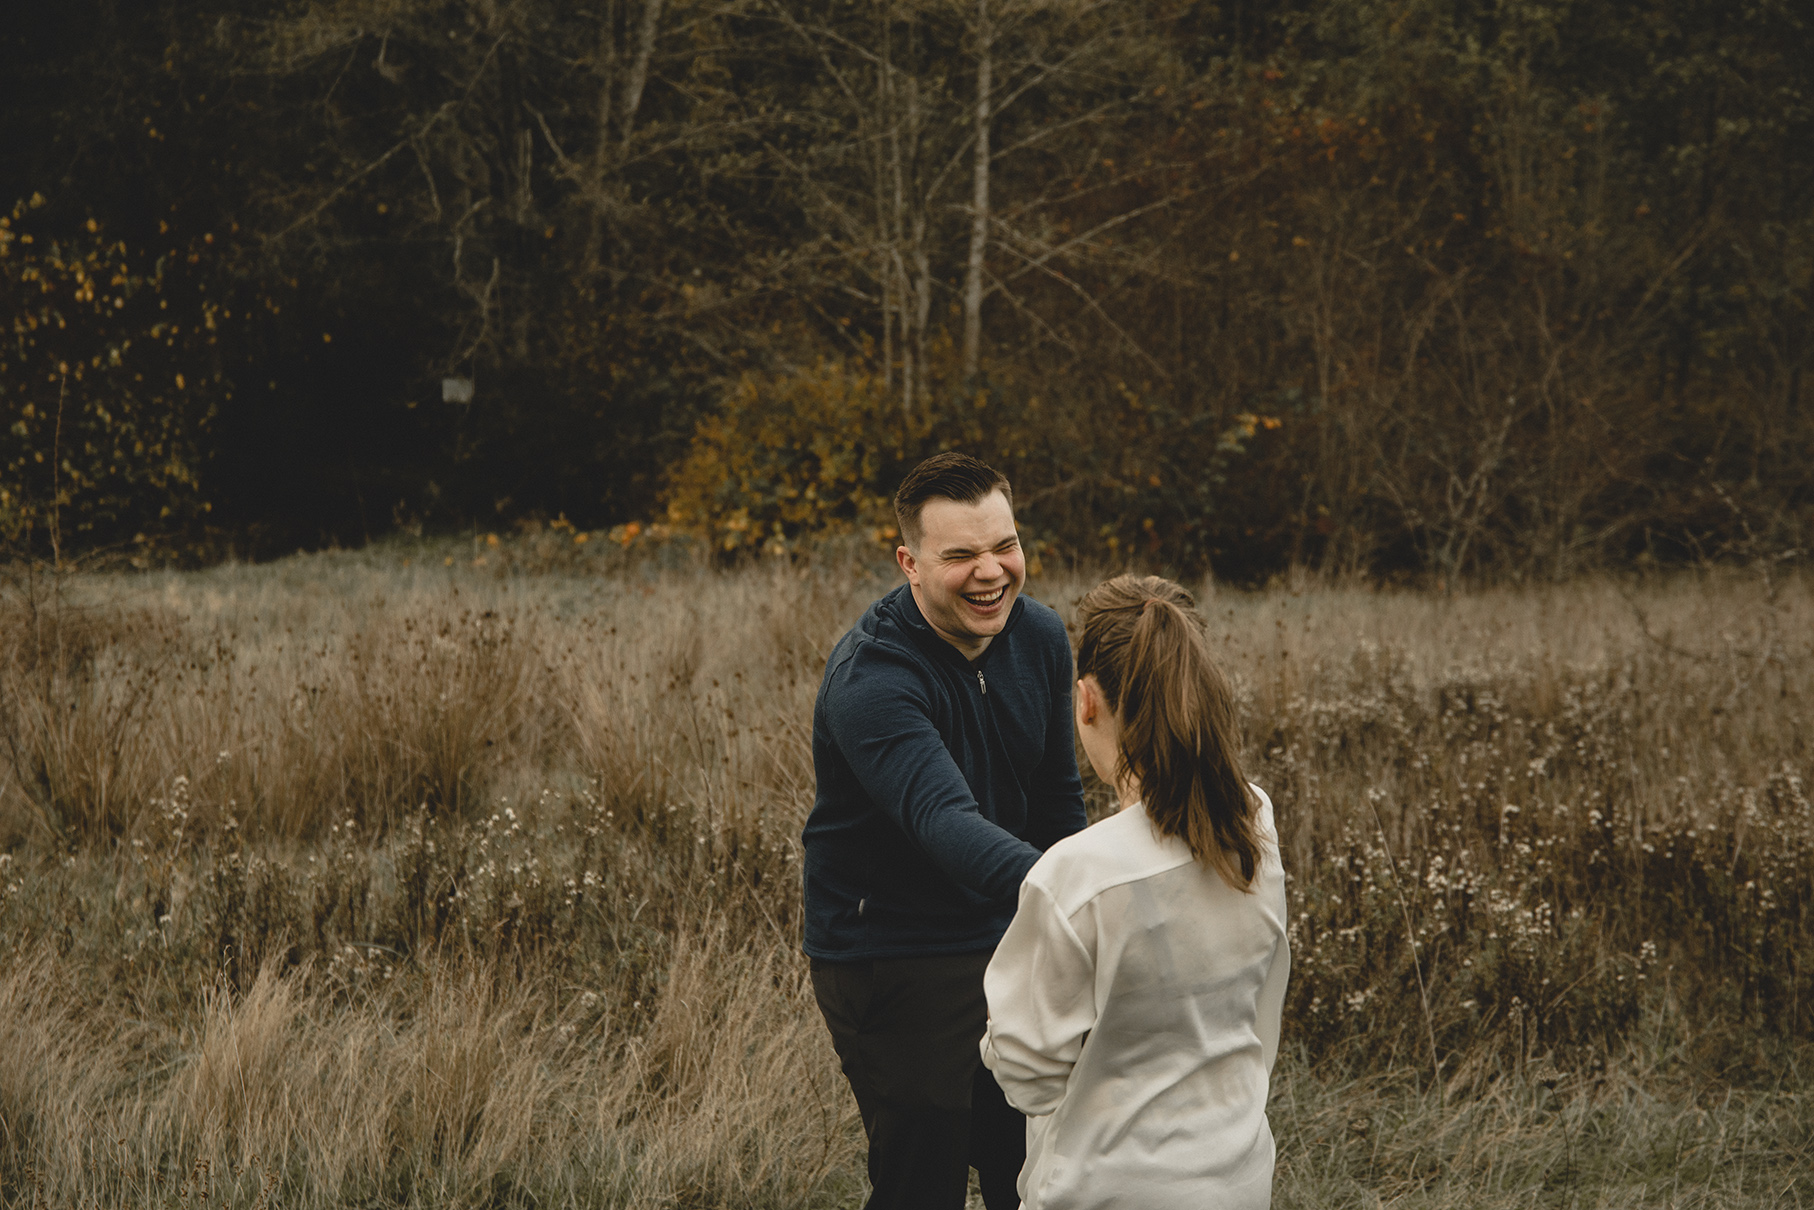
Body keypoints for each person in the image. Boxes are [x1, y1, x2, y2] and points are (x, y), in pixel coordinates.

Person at [803, 452, 1089, 1210]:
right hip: (892, 949)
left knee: (1031, 1169)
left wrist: (1068, 922)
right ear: (911, 563)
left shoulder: (1041, 638)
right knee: (922, 1183)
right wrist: (1081, 892)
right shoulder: (873, 679)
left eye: (1005, 545)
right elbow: (943, 820)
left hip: (1010, 923)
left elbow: (1058, 799)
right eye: (960, 554)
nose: (991, 571)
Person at [981, 574, 1291, 1210]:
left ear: (1085, 700)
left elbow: (1027, 1075)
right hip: (1237, 1174)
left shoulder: (1076, 874)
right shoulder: (1252, 820)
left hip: (1109, 1189)